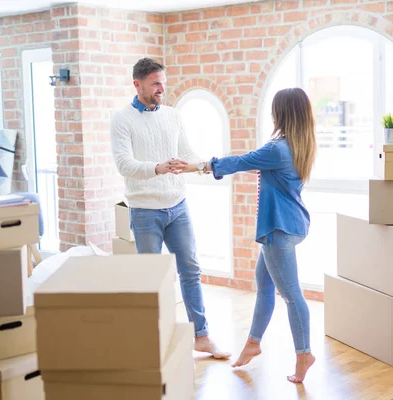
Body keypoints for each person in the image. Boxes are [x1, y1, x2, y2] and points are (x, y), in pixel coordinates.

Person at [188, 88, 317, 383]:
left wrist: (201, 166)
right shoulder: (300, 145)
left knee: (291, 294)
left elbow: (241, 161)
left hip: (278, 229)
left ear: (282, 113)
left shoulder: (278, 149)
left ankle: (304, 355)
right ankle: (253, 343)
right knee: (265, 286)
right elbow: (254, 164)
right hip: (291, 225)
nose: (272, 114)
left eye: (275, 110)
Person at [110, 57, 230, 359]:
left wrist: (200, 166)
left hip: (178, 207)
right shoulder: (122, 119)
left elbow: (186, 153)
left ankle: (201, 336)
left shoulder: (173, 116)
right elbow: (125, 165)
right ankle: (155, 340)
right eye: (155, 83)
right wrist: (159, 168)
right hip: (144, 211)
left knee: (191, 270)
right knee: (153, 277)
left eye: (163, 81)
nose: (161, 88)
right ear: (137, 84)